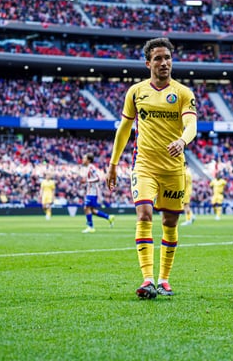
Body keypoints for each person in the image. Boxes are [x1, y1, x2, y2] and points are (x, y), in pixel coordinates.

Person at [106, 37, 197, 299]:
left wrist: (182, 140)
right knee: (144, 215)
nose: (164, 62)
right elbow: (124, 129)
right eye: (158, 58)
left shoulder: (183, 93)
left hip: (173, 169)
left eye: (167, 58)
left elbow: (191, 125)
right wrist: (113, 164)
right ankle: (147, 279)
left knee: (169, 222)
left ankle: (163, 280)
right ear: (148, 63)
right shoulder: (136, 92)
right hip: (144, 165)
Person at [82, 153, 115, 233]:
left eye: (84, 158)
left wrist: (87, 181)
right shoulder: (88, 168)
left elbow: (98, 178)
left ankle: (91, 227)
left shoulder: (91, 167)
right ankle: (109, 217)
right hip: (90, 191)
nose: (83, 160)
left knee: (86, 208)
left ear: (88, 160)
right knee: (92, 210)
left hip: (92, 192)